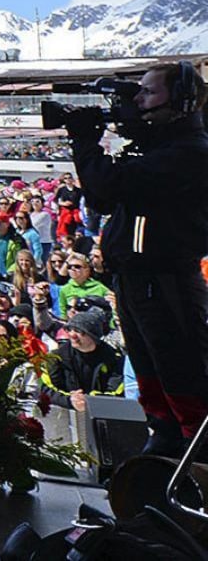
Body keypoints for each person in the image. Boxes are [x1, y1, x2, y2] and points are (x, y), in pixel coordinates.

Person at [64, 62, 208, 456]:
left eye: (147, 92)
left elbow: (110, 184)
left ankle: (195, 452)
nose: (137, 100)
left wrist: (85, 143)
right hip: (135, 281)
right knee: (148, 370)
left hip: (164, 281)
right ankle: (163, 438)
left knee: (180, 371)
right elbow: (100, 197)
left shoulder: (188, 153)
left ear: (182, 102)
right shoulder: (159, 150)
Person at [42, 309, 128, 413]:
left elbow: (118, 391)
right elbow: (45, 389)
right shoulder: (56, 357)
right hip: (65, 415)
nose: (72, 335)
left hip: (102, 412)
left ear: (93, 335)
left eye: (79, 331)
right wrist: (70, 400)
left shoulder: (114, 358)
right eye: (70, 329)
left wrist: (89, 400)